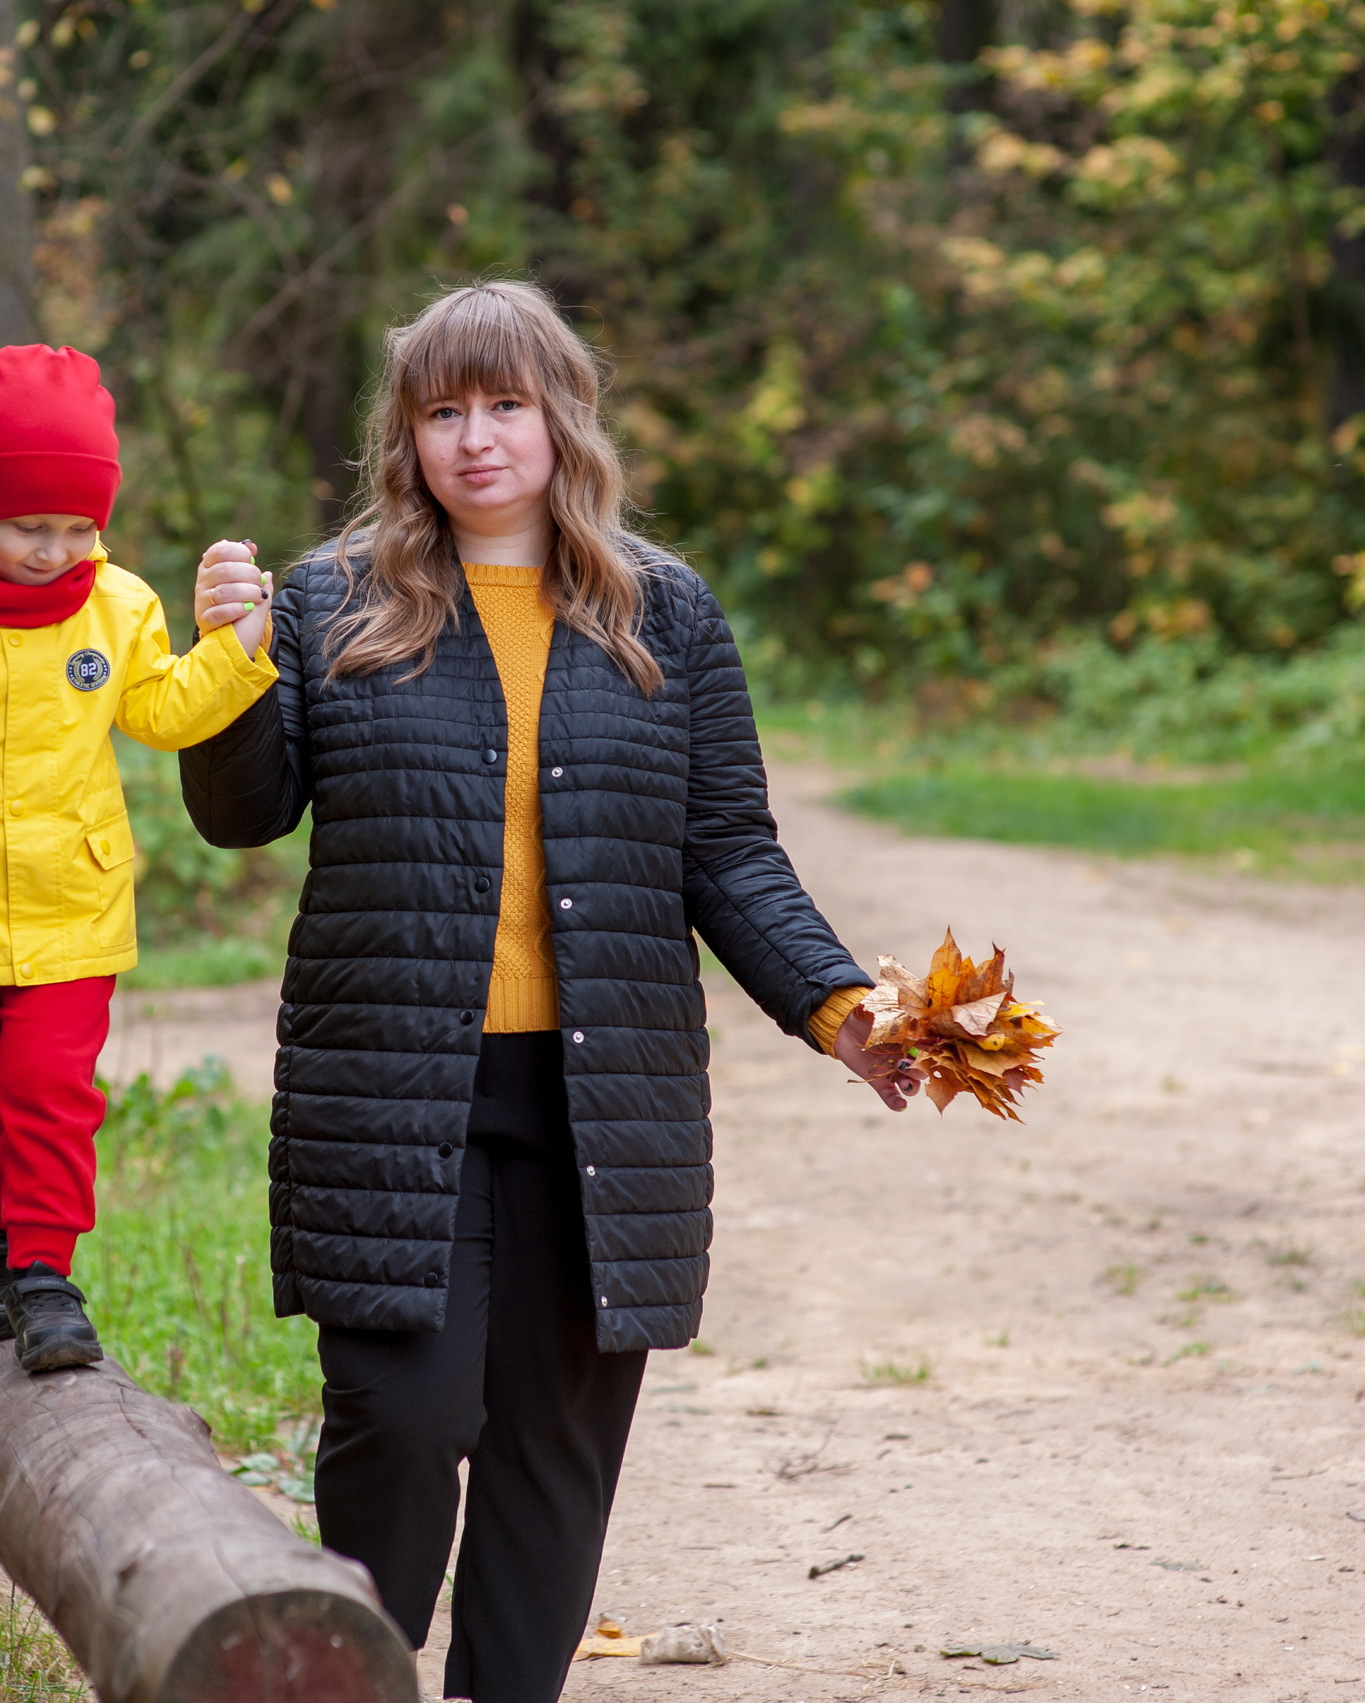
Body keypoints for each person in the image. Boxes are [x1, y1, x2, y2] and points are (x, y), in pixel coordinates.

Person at [179, 283, 919, 1703]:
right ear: (407, 435)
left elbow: (728, 850)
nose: (475, 438)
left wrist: (839, 1008)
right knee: (401, 1409)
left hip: (605, 1097)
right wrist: (229, 667)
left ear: (561, 417)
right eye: (442, 410)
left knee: (553, 1445)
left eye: (503, 404)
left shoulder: (665, 613)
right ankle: (360, 1675)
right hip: (397, 1094)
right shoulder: (333, 600)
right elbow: (245, 811)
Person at [0, 343, 279, 1373]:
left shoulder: (115, 603)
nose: (54, 548)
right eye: (31, 525)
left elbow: (159, 710)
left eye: (79, 528)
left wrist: (236, 649)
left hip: (73, 903)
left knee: (49, 1090)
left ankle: (46, 1275)